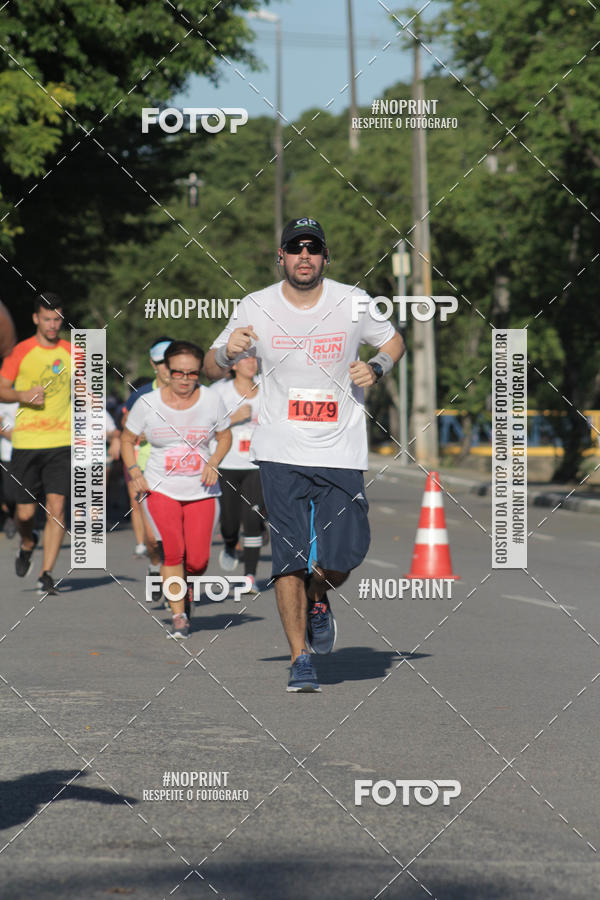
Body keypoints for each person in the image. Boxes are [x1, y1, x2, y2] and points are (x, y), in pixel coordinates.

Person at [204, 217, 404, 692]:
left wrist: (377, 367)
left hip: (341, 449)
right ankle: (300, 659)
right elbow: (212, 363)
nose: (304, 256)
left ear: (325, 258)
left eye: (313, 248)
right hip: (280, 449)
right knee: (288, 557)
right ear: (282, 257)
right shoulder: (256, 305)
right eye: (296, 248)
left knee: (344, 556)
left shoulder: (352, 301)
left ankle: (318, 594)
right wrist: (229, 352)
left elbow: (393, 341)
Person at [120, 340, 231, 639]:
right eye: (178, 372)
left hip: (202, 489)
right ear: (166, 371)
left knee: (197, 561)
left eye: (192, 373)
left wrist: (214, 462)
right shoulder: (147, 403)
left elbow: (224, 436)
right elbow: (127, 440)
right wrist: (135, 472)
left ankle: (185, 587)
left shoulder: (211, 400)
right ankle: (178, 614)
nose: (185, 379)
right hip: (161, 487)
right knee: (173, 552)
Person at [0, 292, 71, 594]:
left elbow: (85, 388)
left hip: (62, 441)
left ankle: (46, 574)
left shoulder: (73, 352)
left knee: (57, 507)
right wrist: (22, 395)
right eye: (47, 319)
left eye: (57, 319)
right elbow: (2, 389)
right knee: (25, 514)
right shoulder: (21, 351)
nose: (53, 325)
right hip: (27, 441)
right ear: (35, 319)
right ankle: (28, 542)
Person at [121, 337, 174, 603]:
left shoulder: (193, 392)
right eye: (162, 362)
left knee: (177, 537)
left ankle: (178, 591)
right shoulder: (141, 395)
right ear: (154, 365)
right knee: (153, 539)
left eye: (171, 361)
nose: (168, 368)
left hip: (181, 471)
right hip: (147, 471)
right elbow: (126, 428)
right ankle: (155, 566)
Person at [210, 356, 264, 592]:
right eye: (245, 359)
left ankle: (250, 576)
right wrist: (233, 418)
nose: (251, 363)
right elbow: (205, 425)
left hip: (257, 464)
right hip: (227, 463)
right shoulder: (218, 391)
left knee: (253, 519)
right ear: (233, 365)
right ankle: (231, 544)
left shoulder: (267, 387)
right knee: (229, 523)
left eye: (254, 358)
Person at [0, 400, 18, 537]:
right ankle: (11, 516)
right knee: (9, 494)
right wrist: (12, 435)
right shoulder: (4, 398)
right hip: (8, 452)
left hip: (30, 449)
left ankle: (26, 522)